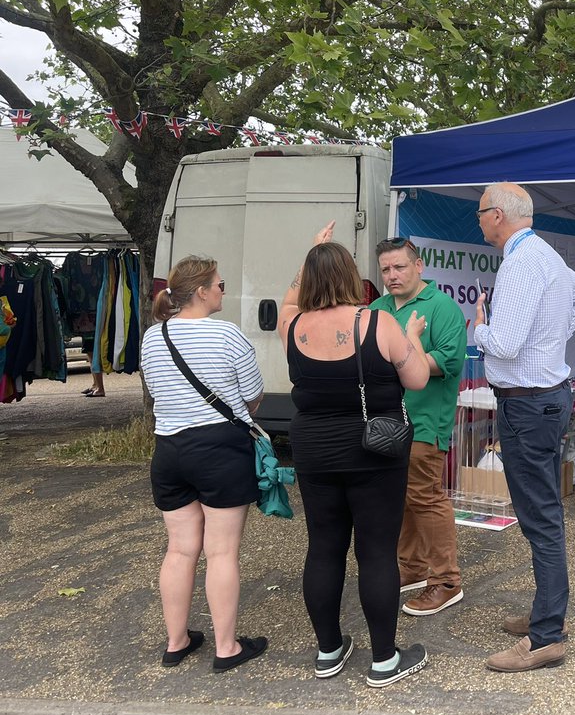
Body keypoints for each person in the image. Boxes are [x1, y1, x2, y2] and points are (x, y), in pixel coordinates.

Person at [279, 222, 431, 687]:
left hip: (313, 451)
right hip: (374, 452)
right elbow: (418, 380)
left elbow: (289, 301)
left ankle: (329, 651)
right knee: (376, 552)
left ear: (309, 279)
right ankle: (384, 660)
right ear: (351, 277)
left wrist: (311, 255)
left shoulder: (294, 325)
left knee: (323, 548)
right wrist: (416, 337)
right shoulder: (377, 321)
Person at [473, 183, 575, 672]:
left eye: (481, 213)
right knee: (542, 515)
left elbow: (501, 344)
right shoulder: (544, 254)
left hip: (527, 406)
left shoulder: (522, 261)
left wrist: (477, 328)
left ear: (498, 215)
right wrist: (549, 343)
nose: (478, 221)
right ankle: (546, 613)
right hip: (545, 400)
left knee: (541, 519)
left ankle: (547, 635)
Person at [141, 255, 268, 672]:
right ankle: (226, 647)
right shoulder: (227, 335)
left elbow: (157, 390)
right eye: (219, 283)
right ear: (200, 291)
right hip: (219, 449)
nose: (222, 290)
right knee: (221, 551)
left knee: (179, 549)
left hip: (169, 450)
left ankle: (176, 642)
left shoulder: (152, 337)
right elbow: (253, 395)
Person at [369, 237, 467, 615]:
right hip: (384, 424)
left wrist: (402, 356)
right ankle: (410, 569)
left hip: (425, 422)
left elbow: (448, 363)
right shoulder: (376, 307)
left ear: (419, 266)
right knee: (401, 497)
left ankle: (446, 581)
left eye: (399, 267)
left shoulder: (442, 307)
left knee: (425, 497)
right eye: (386, 270)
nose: (392, 276)